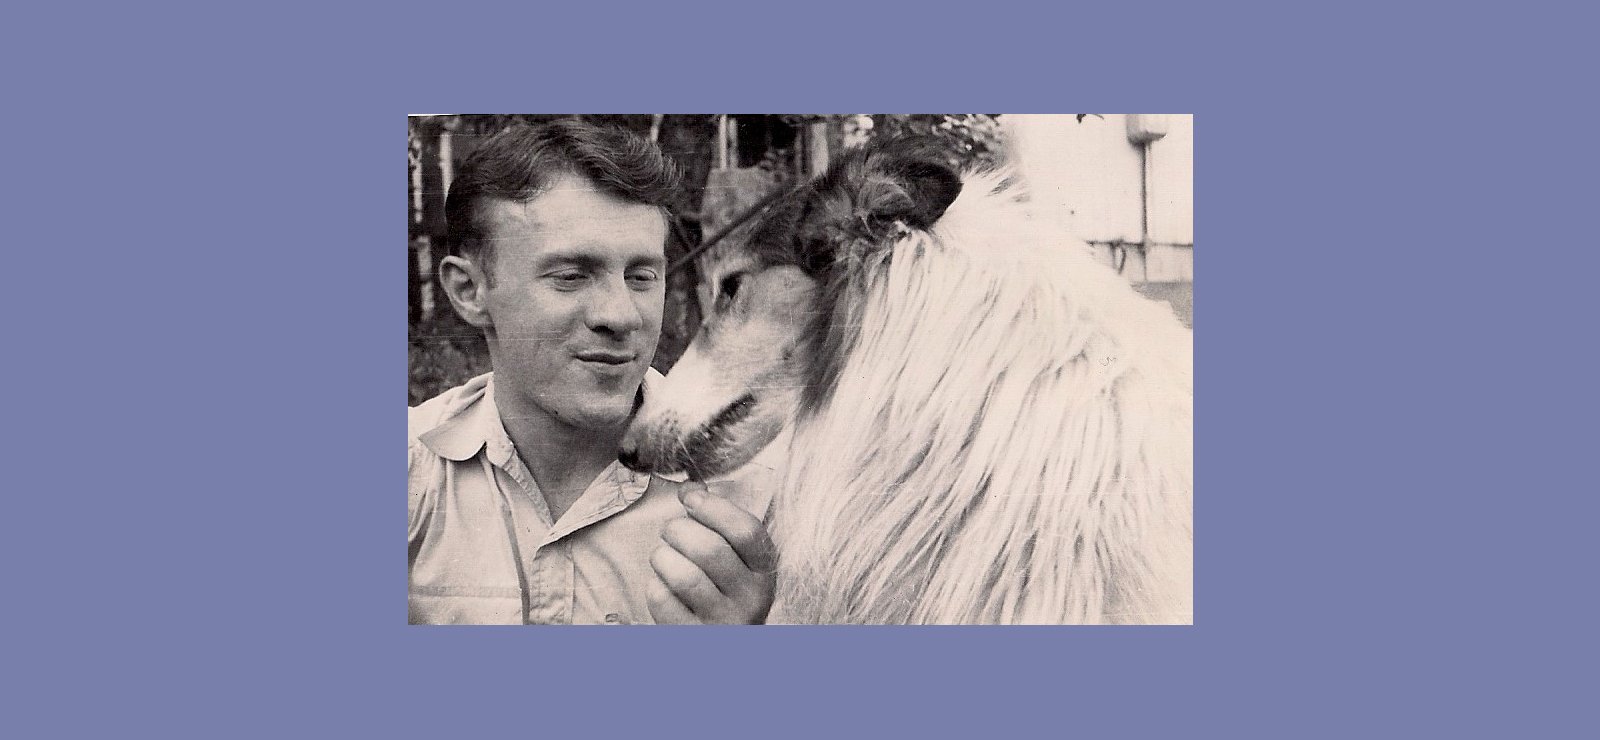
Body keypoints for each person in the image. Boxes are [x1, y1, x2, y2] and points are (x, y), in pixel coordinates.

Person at [408, 120, 779, 624]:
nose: (622, 316)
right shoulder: (412, 473)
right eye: (571, 276)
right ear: (469, 291)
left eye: (641, 277)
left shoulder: (763, 499)